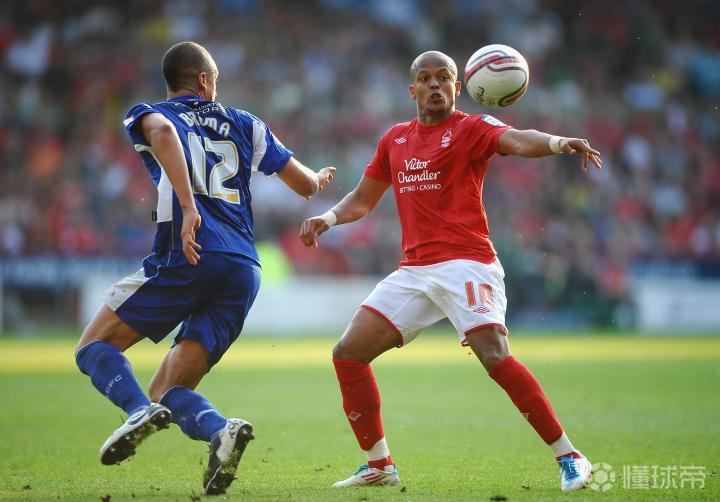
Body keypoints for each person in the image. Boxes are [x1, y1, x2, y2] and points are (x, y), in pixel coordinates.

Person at [300, 50, 601, 492]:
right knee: (347, 353)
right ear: (412, 89)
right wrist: (327, 218)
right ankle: (379, 464)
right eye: (425, 78)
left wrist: (558, 142)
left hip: (467, 262)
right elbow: (363, 199)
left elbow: (518, 140)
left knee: (494, 356)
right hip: (415, 271)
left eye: (444, 78)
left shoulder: (471, 128)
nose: (435, 85)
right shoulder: (395, 139)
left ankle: (570, 456)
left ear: (459, 87)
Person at [75, 41, 335, 496]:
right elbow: (305, 184)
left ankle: (135, 411)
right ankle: (220, 431)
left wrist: (188, 205)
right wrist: (318, 179)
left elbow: (163, 133)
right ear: (202, 80)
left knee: (93, 346)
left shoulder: (150, 113)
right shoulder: (246, 122)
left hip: (190, 251)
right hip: (242, 266)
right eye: (215, 78)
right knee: (167, 387)